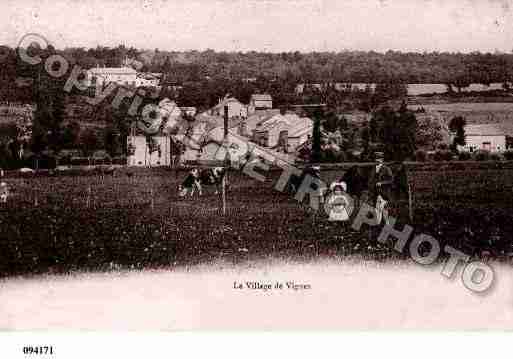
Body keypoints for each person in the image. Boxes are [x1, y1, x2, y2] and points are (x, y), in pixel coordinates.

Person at [368, 152, 394, 225]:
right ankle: (378, 224)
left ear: (382, 160)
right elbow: (370, 180)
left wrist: (382, 183)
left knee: (385, 208)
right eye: (376, 159)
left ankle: (387, 224)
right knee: (376, 209)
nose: (377, 160)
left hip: (384, 192)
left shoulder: (386, 169)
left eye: (379, 159)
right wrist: (370, 186)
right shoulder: (373, 169)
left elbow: (391, 180)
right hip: (375, 192)